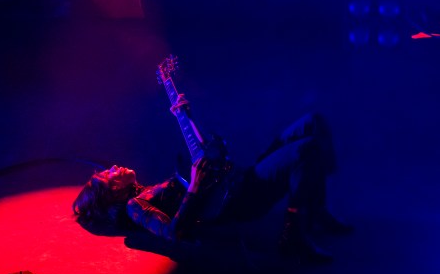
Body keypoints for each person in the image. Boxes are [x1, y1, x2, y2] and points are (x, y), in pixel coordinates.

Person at [72, 95, 353, 264]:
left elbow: (207, 156)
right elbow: (173, 234)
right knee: (307, 148)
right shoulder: (136, 207)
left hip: (239, 178)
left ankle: (316, 210)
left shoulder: (146, 189)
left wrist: (187, 116)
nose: (114, 168)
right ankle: (292, 236)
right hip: (241, 199)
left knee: (313, 121)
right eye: (109, 176)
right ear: (113, 194)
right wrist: (194, 186)